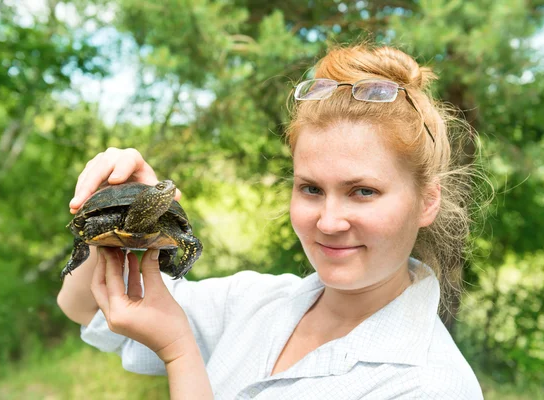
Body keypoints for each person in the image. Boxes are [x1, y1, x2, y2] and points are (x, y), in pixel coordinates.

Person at [57, 43, 484, 399]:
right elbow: (81, 307)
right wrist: (120, 211)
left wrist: (179, 352)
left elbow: (168, 339)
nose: (330, 222)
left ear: (427, 201)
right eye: (311, 189)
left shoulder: (429, 385)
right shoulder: (254, 303)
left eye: (363, 191)